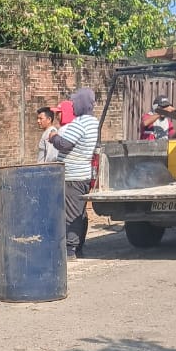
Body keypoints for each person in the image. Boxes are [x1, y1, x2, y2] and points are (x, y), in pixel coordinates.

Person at [46, 86, 100, 258]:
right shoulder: (93, 122)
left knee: (71, 214)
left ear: (82, 103)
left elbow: (64, 144)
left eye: (75, 102)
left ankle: (70, 249)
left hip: (72, 175)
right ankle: (79, 246)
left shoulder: (81, 123)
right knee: (79, 212)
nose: (73, 105)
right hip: (83, 174)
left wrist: (53, 137)